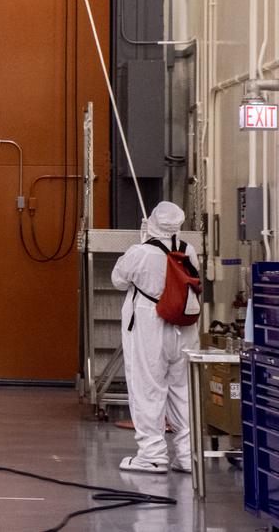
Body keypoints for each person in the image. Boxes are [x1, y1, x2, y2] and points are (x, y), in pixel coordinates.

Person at [112, 200, 198, 474]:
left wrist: (142, 242)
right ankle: (187, 456)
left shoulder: (140, 252)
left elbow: (119, 280)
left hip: (150, 326)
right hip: (184, 329)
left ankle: (152, 454)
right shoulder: (189, 250)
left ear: (151, 221)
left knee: (148, 388)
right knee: (182, 391)